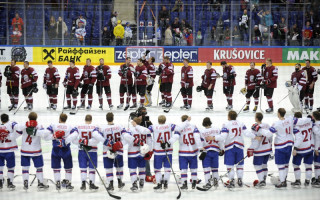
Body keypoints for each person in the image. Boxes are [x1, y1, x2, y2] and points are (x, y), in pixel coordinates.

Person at [212, 111, 254, 188]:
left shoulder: (226, 124)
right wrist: (255, 136)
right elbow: (247, 133)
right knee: (239, 165)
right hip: (239, 147)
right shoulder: (241, 123)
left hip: (230, 147)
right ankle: (240, 180)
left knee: (230, 166)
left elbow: (223, 137)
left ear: (229, 116)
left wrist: (214, 138)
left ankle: (231, 181)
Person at [149, 115, 189, 190]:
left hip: (158, 152)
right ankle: (166, 183)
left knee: (157, 169)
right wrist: (186, 121)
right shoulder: (170, 125)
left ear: (158, 120)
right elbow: (179, 128)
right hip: (168, 151)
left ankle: (159, 183)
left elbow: (147, 132)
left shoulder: (153, 126)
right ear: (165, 120)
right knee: (167, 168)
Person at [94, 112, 132, 191]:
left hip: (107, 151)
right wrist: (121, 143)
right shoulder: (119, 126)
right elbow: (127, 136)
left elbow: (95, 135)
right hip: (118, 151)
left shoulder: (102, 128)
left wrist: (105, 141)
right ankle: (120, 182)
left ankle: (111, 184)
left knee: (108, 168)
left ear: (106, 118)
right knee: (119, 167)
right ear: (113, 118)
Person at [16, 112, 50, 190]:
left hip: (25, 150)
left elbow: (17, 130)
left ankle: (25, 183)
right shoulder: (39, 126)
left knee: (25, 168)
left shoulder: (24, 126)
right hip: (36, 150)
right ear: (36, 118)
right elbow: (44, 135)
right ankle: (40, 183)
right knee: (39, 167)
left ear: (28, 117)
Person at [168, 115, 201, 190]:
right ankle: (194, 183)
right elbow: (197, 137)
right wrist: (199, 148)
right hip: (193, 151)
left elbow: (175, 137)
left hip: (183, 152)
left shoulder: (179, 128)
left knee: (183, 169)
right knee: (194, 169)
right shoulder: (193, 126)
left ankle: (184, 184)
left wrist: (168, 143)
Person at [46, 113, 78, 191]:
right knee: (68, 167)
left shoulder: (54, 125)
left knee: (56, 167)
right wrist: (66, 140)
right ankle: (68, 183)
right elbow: (76, 133)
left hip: (56, 149)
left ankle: (57, 183)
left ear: (59, 118)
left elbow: (45, 135)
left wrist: (54, 136)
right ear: (66, 119)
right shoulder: (69, 126)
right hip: (66, 149)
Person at [268, 108, 295, 188]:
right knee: (286, 164)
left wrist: (260, 130)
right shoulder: (290, 119)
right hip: (289, 144)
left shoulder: (276, 123)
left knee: (280, 165)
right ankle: (284, 179)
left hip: (280, 145)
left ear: (278, 113)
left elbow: (269, 134)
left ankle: (282, 182)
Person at [77, 114, 102, 191]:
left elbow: (75, 138)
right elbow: (98, 139)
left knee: (83, 168)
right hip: (92, 150)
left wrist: (81, 142)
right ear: (91, 120)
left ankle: (83, 184)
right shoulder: (95, 127)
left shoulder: (79, 126)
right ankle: (91, 184)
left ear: (85, 120)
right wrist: (88, 142)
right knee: (92, 168)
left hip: (82, 150)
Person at [126, 117, 153, 192]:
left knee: (132, 169)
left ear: (135, 122)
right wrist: (150, 151)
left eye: (132, 121)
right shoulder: (145, 129)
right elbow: (150, 141)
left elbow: (126, 137)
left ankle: (134, 184)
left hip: (132, 152)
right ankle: (141, 181)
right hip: (143, 152)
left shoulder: (130, 129)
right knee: (142, 168)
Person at [247, 112, 273, 187]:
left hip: (259, 150)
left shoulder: (255, 127)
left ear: (256, 118)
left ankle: (262, 181)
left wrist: (251, 149)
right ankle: (264, 179)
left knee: (257, 165)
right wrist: (270, 147)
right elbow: (270, 136)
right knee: (264, 165)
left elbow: (255, 140)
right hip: (267, 148)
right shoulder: (267, 125)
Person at [198, 117, 224, 189]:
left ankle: (208, 183)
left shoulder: (201, 131)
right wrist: (221, 149)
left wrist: (201, 149)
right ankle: (216, 182)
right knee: (215, 168)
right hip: (215, 151)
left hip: (207, 151)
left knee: (206, 168)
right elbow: (220, 140)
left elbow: (200, 141)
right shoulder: (217, 129)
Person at [291, 112, 314, 187]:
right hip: (309, 148)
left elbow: (299, 138)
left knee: (295, 165)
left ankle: (297, 181)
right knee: (308, 166)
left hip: (300, 149)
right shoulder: (309, 123)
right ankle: (307, 180)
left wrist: (295, 148)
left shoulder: (296, 127)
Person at [0, 113, 19, 190]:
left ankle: (0, 182)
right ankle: (10, 183)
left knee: (0, 168)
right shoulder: (11, 125)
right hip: (9, 150)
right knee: (11, 168)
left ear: (1, 119)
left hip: (0, 150)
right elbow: (19, 130)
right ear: (8, 119)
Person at [312, 111, 320, 186]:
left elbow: (317, 138)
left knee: (317, 164)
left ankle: (318, 179)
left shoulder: (315, 126)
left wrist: (316, 149)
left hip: (318, 147)